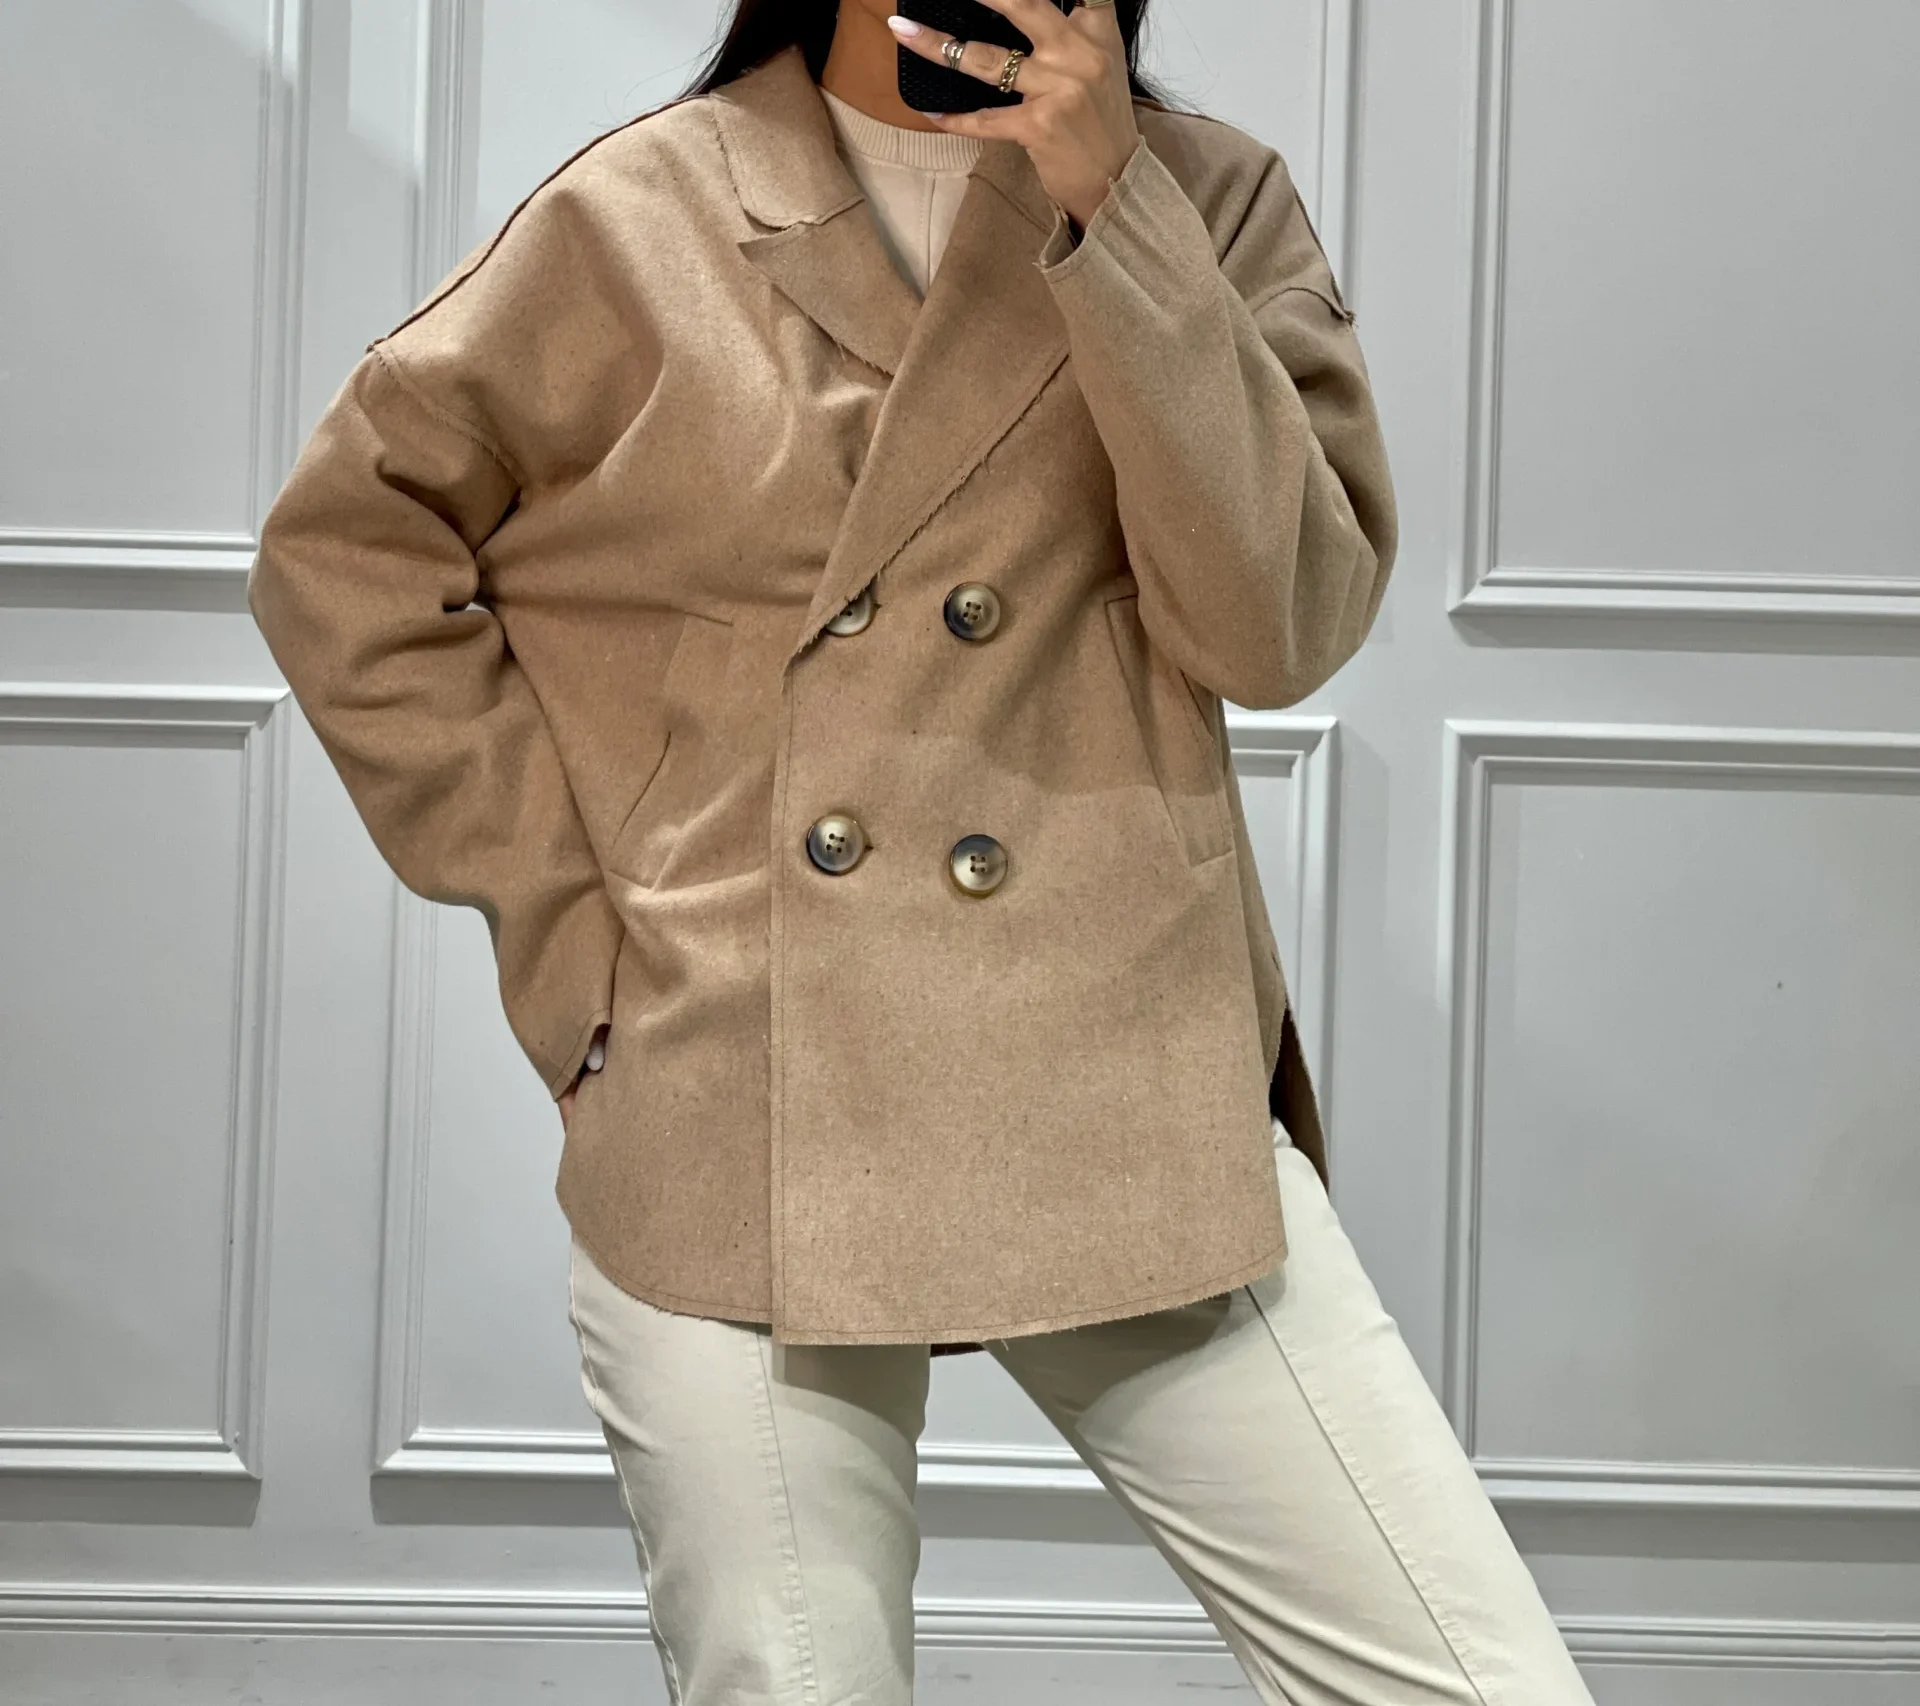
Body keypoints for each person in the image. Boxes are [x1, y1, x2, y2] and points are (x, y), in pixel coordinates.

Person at [248, 0, 1597, 1700]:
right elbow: (346, 555)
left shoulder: (1209, 199)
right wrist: (573, 943)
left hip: (1117, 1059)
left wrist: (1115, 206)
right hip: (739, 1078)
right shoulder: (638, 214)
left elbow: (1280, 630)